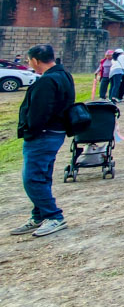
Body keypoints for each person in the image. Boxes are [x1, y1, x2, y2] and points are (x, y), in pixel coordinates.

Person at [11, 44, 74, 238]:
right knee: (42, 176)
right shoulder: (64, 75)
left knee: (31, 178)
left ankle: (54, 216)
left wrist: (30, 131)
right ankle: (39, 215)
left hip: (43, 135)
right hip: (55, 132)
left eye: (29, 60)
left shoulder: (47, 82)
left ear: (36, 60)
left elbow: (39, 113)